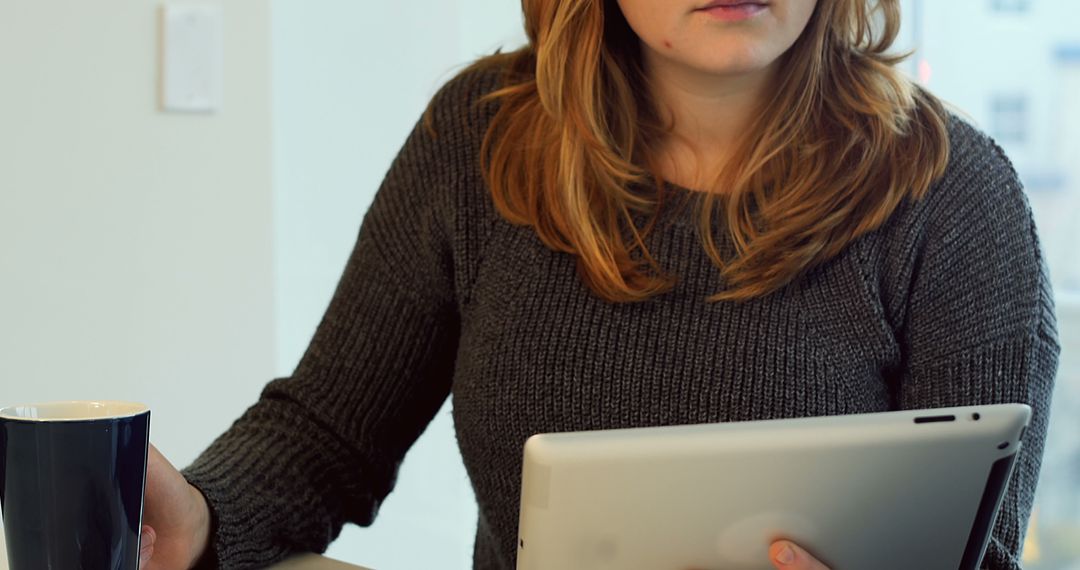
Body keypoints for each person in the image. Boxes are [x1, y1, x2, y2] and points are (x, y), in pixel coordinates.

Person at [137, 0, 1060, 568]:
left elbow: (976, 554)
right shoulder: (480, 139)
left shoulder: (954, 197)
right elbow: (329, 434)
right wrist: (200, 517)